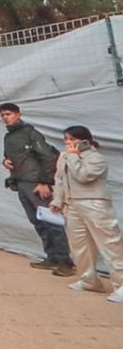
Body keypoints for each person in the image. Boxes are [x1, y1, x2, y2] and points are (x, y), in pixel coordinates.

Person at [0, 103, 75, 276]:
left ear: (18, 114)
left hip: (36, 184)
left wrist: (44, 182)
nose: (5, 117)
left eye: (9, 114)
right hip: (21, 183)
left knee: (52, 222)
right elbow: (9, 156)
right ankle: (52, 258)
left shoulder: (30, 133)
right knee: (37, 221)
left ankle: (65, 262)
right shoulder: (9, 136)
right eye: (3, 115)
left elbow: (48, 157)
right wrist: (5, 161)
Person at [49, 125, 123, 301]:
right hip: (73, 204)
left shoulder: (97, 158)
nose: (69, 143)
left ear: (85, 140)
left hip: (95, 203)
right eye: (66, 139)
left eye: (73, 139)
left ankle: (121, 284)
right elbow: (60, 179)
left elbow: (83, 175)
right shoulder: (65, 157)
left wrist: (73, 157)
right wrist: (58, 200)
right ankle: (88, 279)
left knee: (110, 245)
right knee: (79, 245)